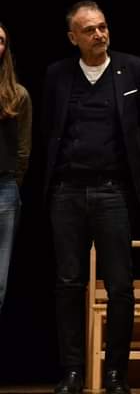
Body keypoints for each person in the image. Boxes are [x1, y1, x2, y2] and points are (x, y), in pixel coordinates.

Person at [43, 0, 140, 394]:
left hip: (113, 192)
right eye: (89, 30)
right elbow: (48, 131)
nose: (99, 35)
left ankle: (115, 373)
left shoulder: (133, 69)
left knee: (121, 286)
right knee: (68, 283)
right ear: (73, 37)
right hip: (67, 192)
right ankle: (73, 370)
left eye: (103, 27)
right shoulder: (57, 75)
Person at [0, 22, 32, 316]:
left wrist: (13, 181)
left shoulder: (17, 94)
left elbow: (23, 149)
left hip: (3, 190)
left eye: (0, 41)